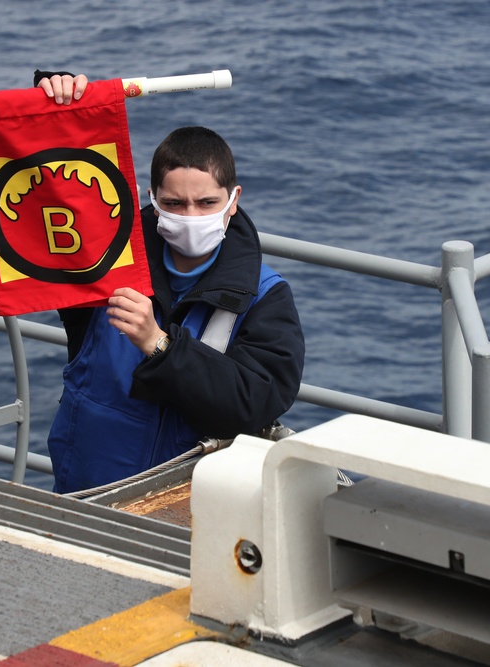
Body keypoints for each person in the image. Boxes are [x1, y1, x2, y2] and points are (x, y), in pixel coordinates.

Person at [35, 72, 306, 494]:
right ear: (152, 201)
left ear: (233, 201)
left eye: (207, 203)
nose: (191, 216)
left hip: (184, 501)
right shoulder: (104, 262)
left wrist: (159, 345)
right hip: (83, 487)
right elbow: (55, 194)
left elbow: (255, 402)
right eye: (175, 203)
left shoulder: (266, 297)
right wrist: (57, 101)